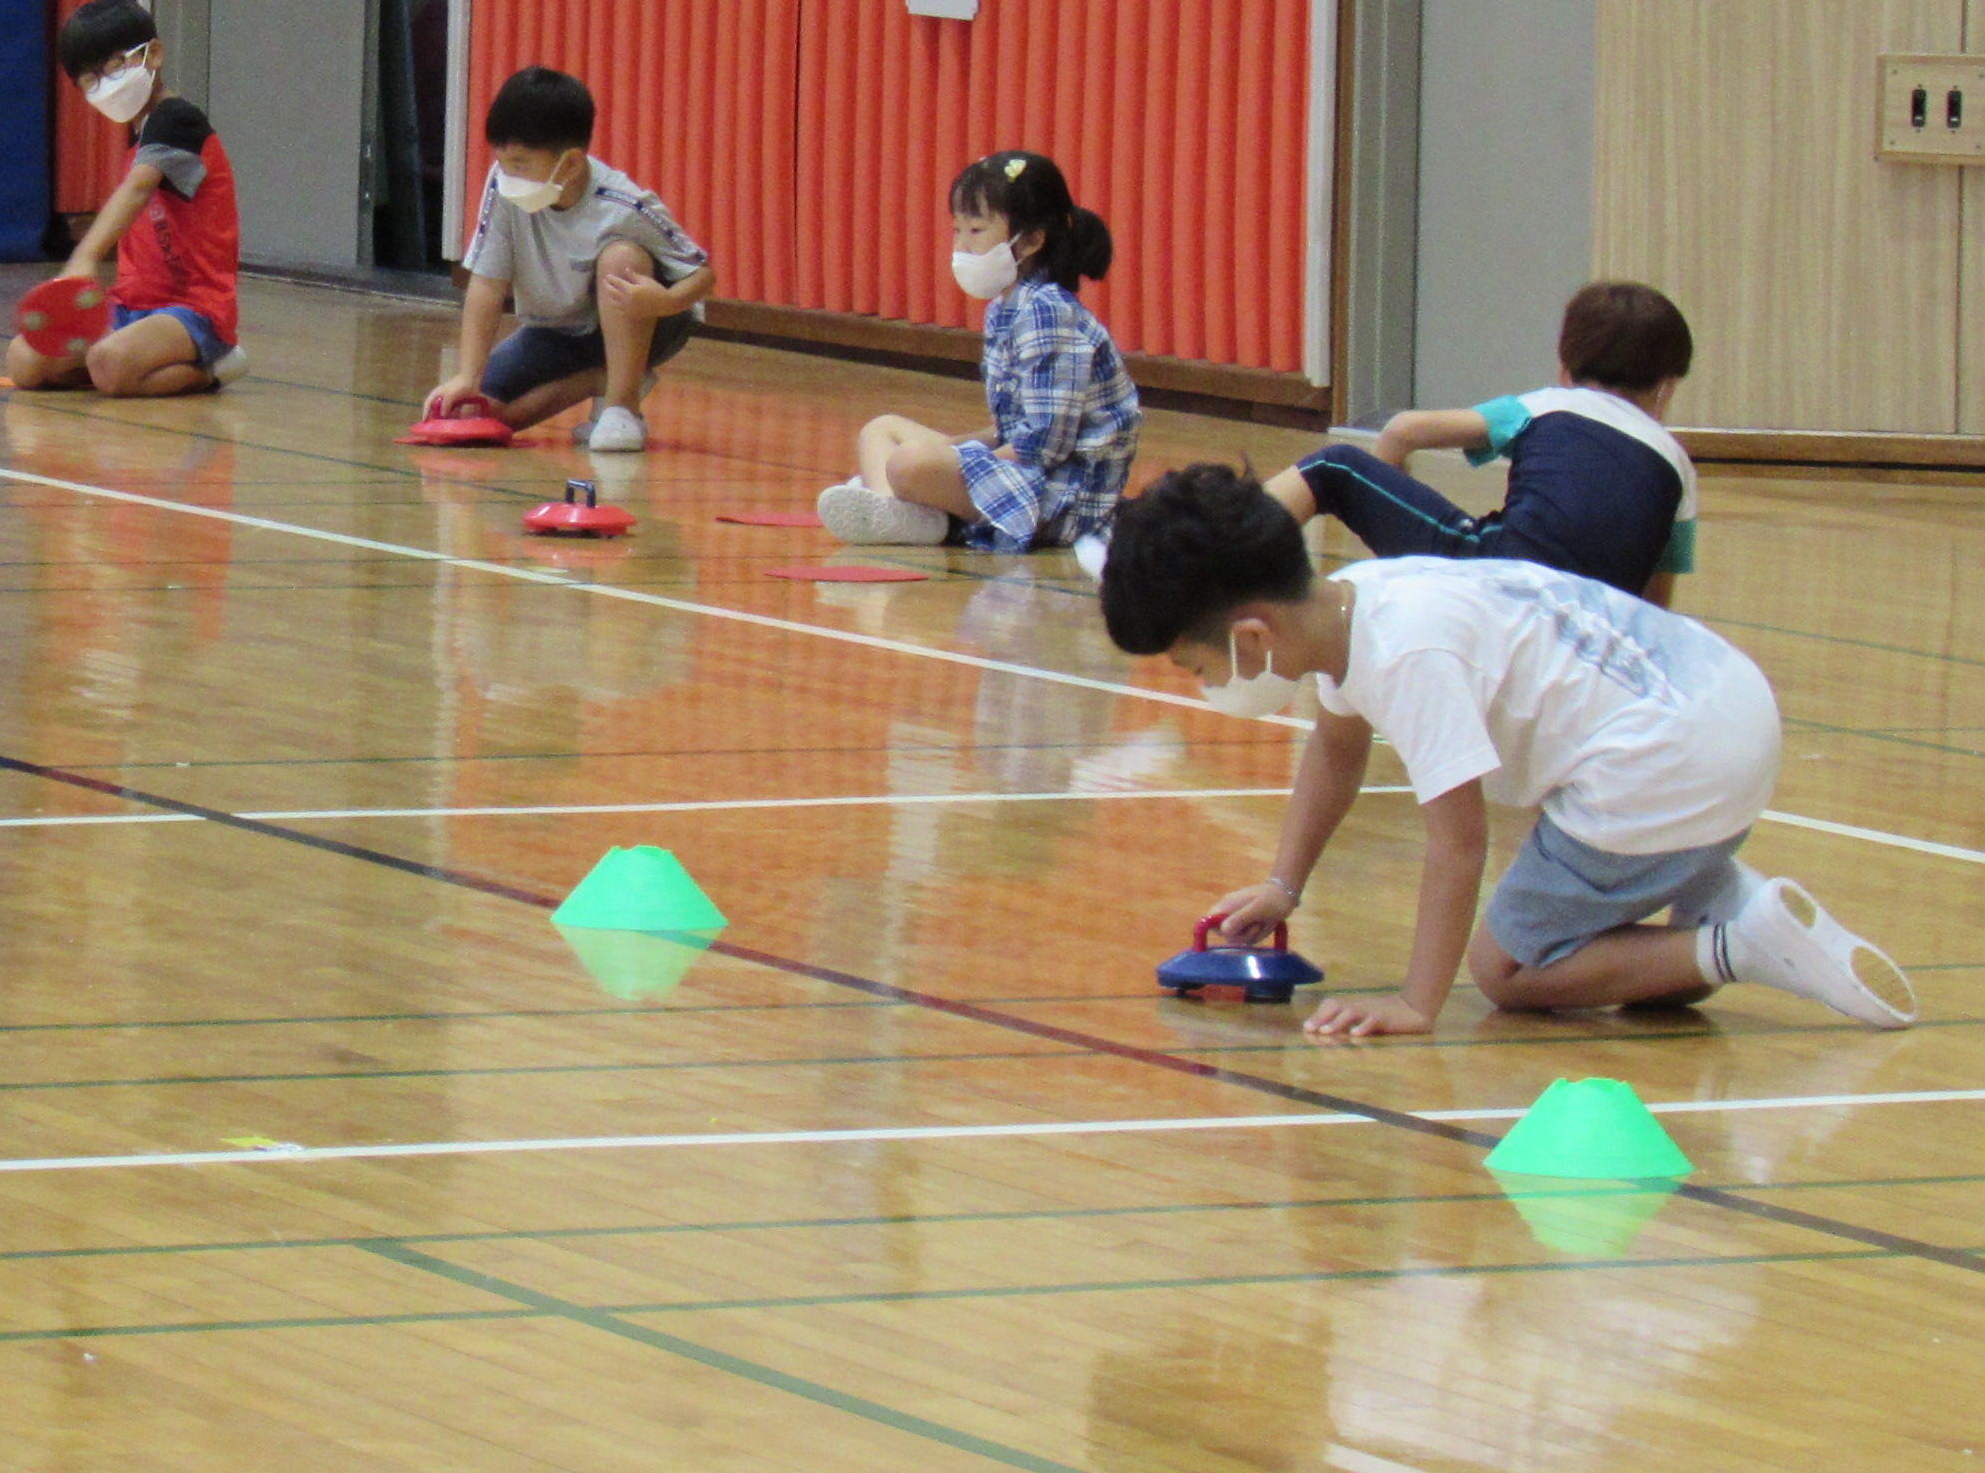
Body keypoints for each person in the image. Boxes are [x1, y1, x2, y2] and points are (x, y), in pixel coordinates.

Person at [1096, 462, 1913, 1041]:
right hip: (1723, 704)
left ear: (1250, 634)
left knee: (1507, 973)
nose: (1203, 686)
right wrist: (1284, 884)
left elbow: (1459, 842)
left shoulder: (1408, 655)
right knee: (1642, 994)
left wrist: (1420, 1001)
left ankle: (1737, 942)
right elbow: (1336, 750)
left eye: (1196, 668)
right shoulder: (1362, 604)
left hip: (1673, 761)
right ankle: (1712, 890)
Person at [1274, 280, 1699, 603]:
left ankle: (1222, 555)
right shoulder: (1677, 464)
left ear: (1565, 367)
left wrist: (1387, 568)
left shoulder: (1547, 405)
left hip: (1495, 583)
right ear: (1668, 386)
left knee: (1335, 469)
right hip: (1592, 633)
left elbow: (1404, 431)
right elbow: (1655, 603)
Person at [817, 149, 1139, 553]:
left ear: (1033, 240)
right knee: (882, 430)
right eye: (958, 230)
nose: (962, 245)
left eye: (977, 230)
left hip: (1059, 496)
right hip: (1025, 466)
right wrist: (957, 450)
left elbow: (1045, 445)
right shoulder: (1006, 307)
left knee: (910, 463)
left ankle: (911, 509)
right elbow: (1009, 427)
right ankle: (894, 511)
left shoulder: (1047, 312)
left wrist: (950, 464)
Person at [422, 64, 713, 452]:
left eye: (521, 165)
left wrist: (666, 301)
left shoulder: (622, 204)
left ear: (572, 163)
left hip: (646, 321)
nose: (508, 175)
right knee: (474, 421)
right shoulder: (503, 187)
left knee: (620, 257)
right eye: (503, 162)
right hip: (557, 331)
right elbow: (487, 283)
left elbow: (703, 274)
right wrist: (467, 376)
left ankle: (621, 405)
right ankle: (598, 381)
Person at [10, 0, 246, 395]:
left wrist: (83, 258)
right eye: (89, 80)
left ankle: (218, 367)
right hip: (129, 306)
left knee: (110, 364)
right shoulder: (135, 141)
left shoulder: (178, 121)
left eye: (115, 66)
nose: (104, 85)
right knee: (26, 361)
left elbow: (137, 189)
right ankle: (122, 364)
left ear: (153, 55)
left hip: (193, 310)